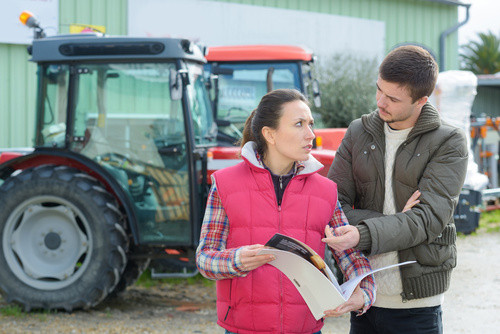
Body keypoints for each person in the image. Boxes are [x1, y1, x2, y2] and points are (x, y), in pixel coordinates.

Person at [196, 88, 376, 334]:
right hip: (243, 329)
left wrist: (364, 292)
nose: (310, 134)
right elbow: (205, 258)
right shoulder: (225, 184)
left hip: (306, 329)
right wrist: (237, 260)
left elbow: (350, 255)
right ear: (270, 134)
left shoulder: (326, 191)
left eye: (310, 124)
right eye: (299, 124)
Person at [323, 45, 469, 334]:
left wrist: (362, 232)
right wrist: (395, 221)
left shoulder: (449, 141)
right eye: (379, 90)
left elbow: (427, 221)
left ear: (421, 100)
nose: (380, 102)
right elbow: (333, 207)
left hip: (417, 306)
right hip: (363, 294)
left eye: (392, 98)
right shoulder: (357, 132)